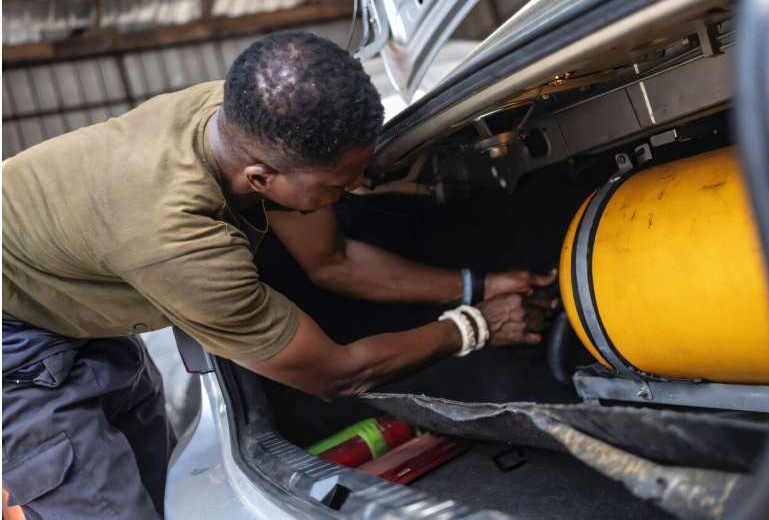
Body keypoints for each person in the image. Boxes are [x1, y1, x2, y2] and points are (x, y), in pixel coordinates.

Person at [2, 31, 557, 519]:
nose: (355, 191)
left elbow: (332, 260)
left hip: (59, 289)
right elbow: (336, 376)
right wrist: (474, 327)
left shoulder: (251, 118)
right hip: (13, 342)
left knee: (155, 485)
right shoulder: (179, 242)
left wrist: (479, 287)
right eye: (338, 186)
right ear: (261, 178)